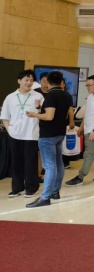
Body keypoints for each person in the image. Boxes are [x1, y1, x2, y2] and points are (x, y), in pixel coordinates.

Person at [25, 71, 73, 208]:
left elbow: (49, 116)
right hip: (59, 133)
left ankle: (45, 197)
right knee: (58, 164)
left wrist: (34, 114)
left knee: (49, 166)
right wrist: (39, 108)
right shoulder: (66, 95)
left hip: (48, 135)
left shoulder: (52, 95)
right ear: (61, 81)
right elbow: (62, 115)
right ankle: (55, 192)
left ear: (48, 82)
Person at [0, 69, 44, 198]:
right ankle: (17, 188)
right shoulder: (10, 97)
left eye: (31, 80)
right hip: (15, 134)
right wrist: (10, 130)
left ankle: (32, 187)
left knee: (30, 162)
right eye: (26, 80)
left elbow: (43, 114)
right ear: (19, 81)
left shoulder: (38, 96)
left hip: (31, 134)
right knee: (16, 162)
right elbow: (4, 116)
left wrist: (38, 108)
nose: (29, 82)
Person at [65, 75, 94, 186]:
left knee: (88, 154)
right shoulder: (90, 97)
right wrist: (81, 127)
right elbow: (88, 114)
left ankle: (80, 177)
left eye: (89, 85)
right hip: (88, 128)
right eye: (87, 85)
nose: (87, 87)